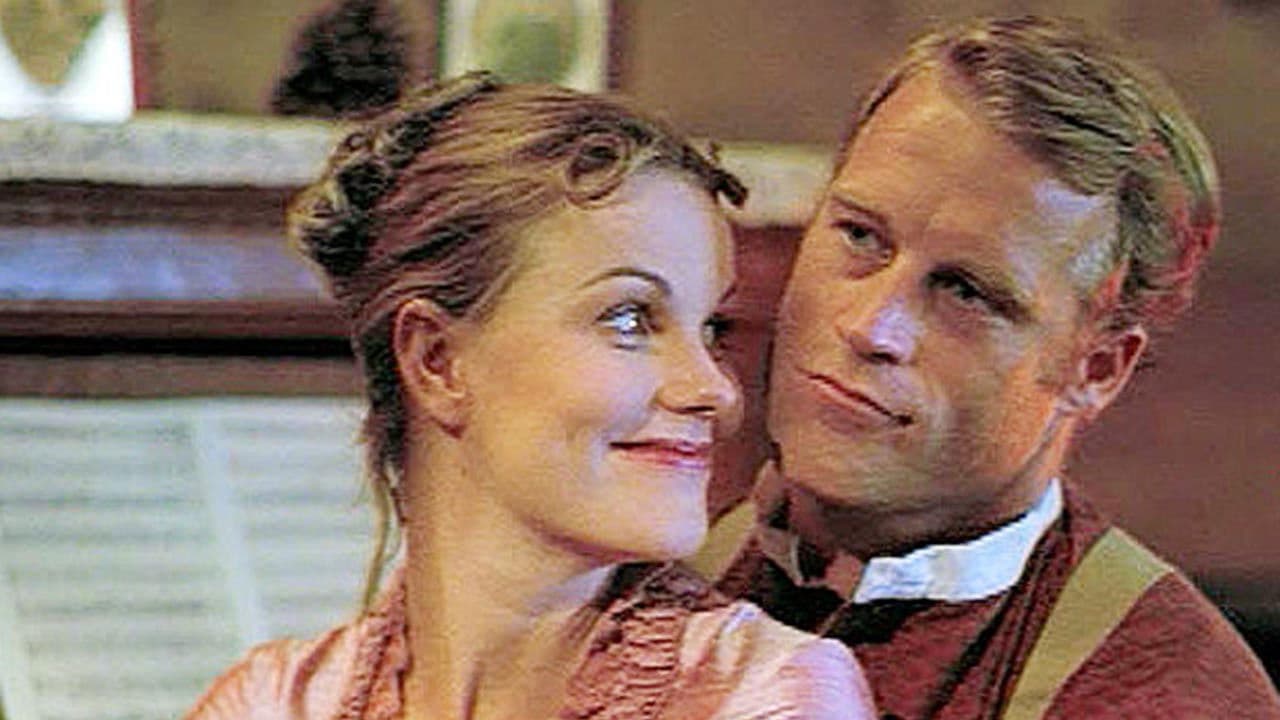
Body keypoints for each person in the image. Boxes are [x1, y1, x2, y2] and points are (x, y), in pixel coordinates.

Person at [183, 73, 874, 720]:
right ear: (438, 361)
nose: (717, 392)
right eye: (630, 319)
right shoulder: (273, 700)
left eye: (713, 329)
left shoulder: (769, 694)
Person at [704, 15, 1280, 719]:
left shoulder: (1164, 695)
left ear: (1097, 368)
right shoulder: (650, 556)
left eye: (965, 291)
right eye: (859, 235)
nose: (869, 326)